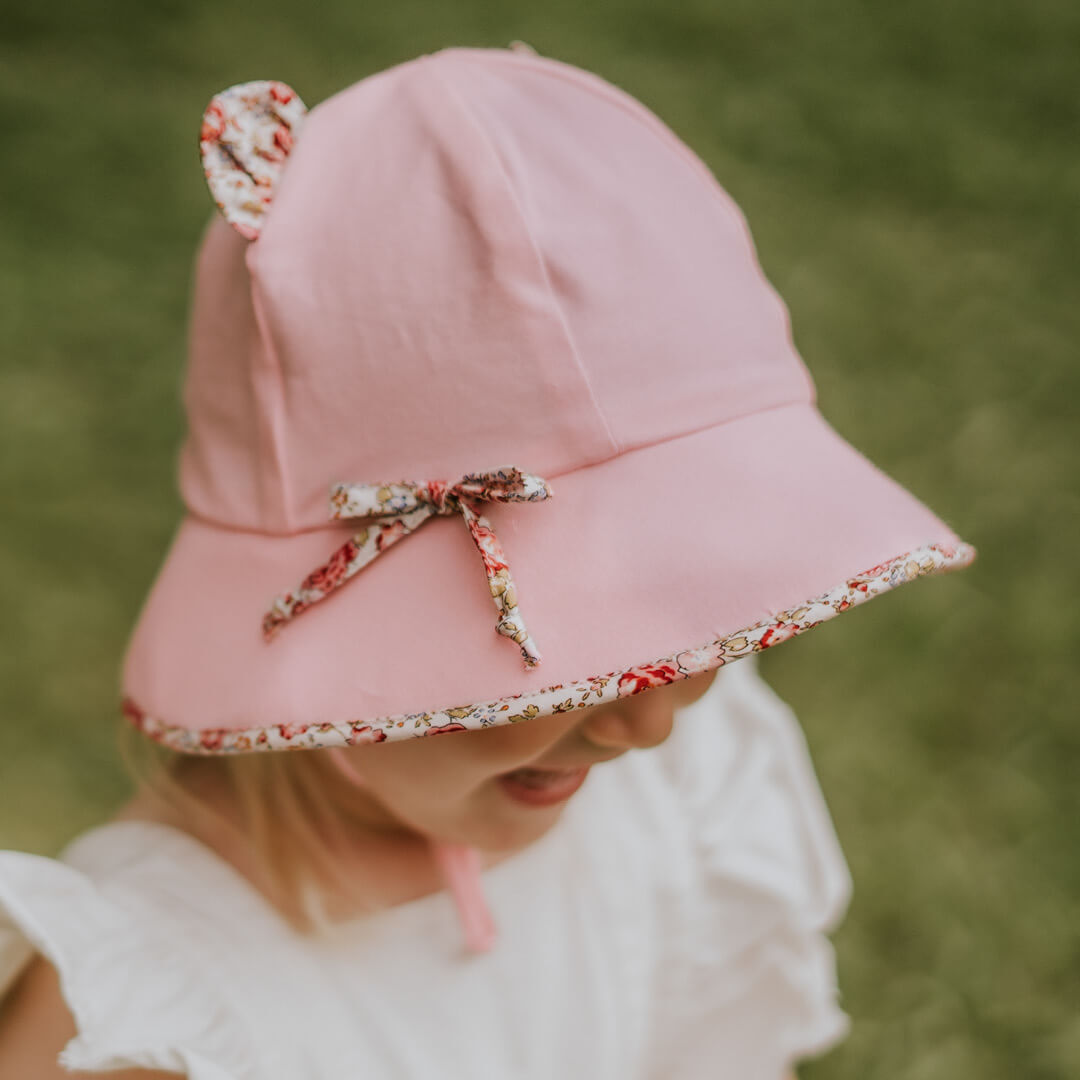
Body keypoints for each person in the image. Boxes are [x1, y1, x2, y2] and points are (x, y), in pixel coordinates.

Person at [0, 41, 975, 1079]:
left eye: (673, 618)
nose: (648, 722)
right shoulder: (153, 1011)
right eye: (545, 649)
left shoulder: (665, 801)